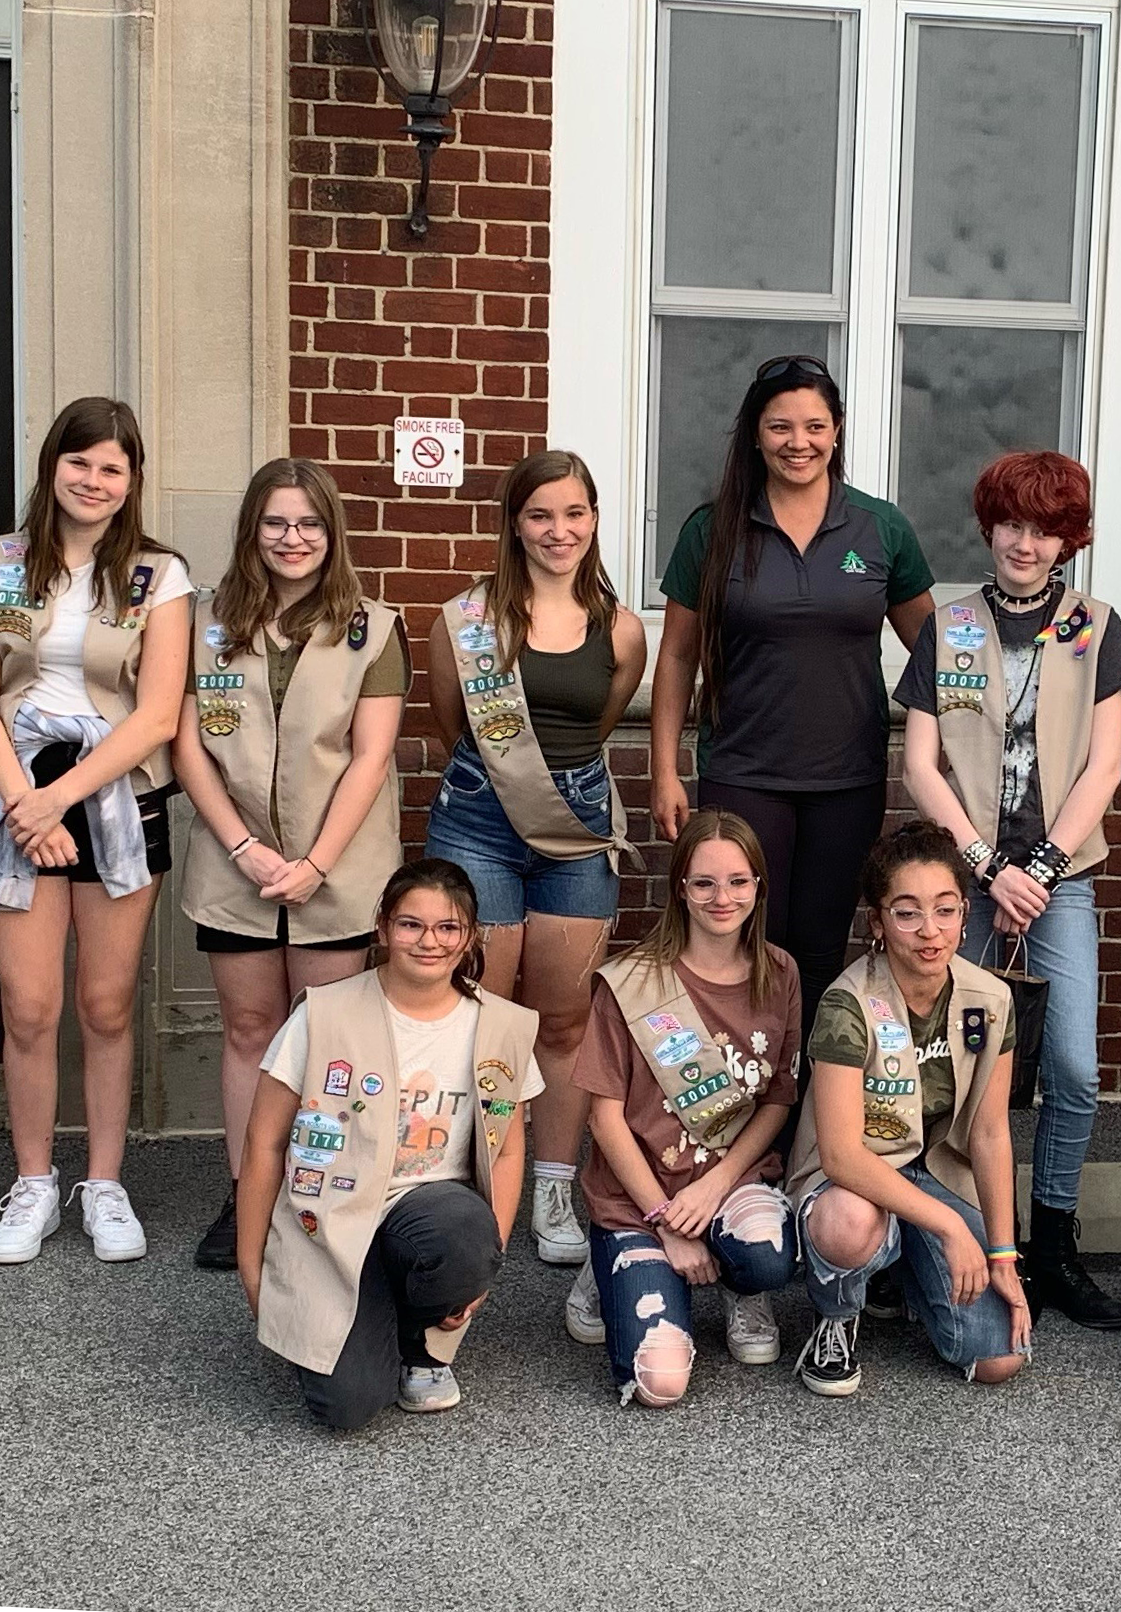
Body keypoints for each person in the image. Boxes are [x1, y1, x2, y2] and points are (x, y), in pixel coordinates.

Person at [897, 449, 1121, 1329]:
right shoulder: (948, 626)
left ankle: (1054, 1243)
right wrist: (985, 864)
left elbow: (1105, 763)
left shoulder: (1097, 625)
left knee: (1071, 1066)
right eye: (1012, 525)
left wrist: (1038, 870)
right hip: (961, 884)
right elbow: (919, 761)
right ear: (989, 527)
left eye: (1045, 529)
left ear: (1069, 540)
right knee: (947, 1063)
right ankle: (937, 1232)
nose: (1025, 544)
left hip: (1058, 883)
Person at [650, 356, 935, 1042]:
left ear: (837, 431)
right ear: (754, 433)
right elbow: (678, 657)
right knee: (739, 947)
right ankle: (742, 1109)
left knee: (816, 953)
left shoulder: (880, 528)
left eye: (814, 425)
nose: (797, 441)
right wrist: (664, 769)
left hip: (848, 777)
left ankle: (811, 1118)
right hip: (743, 774)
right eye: (779, 426)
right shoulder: (711, 529)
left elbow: (937, 653)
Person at [174, 458, 408, 1270]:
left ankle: (319, 1194)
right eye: (276, 522)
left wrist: (314, 862)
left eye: (309, 523)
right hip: (232, 864)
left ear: (330, 533)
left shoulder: (371, 627)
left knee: (325, 1042)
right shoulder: (203, 620)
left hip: (337, 869)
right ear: (252, 530)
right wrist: (244, 847)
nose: (292, 538)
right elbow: (187, 745)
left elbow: (371, 756)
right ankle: (248, 1191)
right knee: (248, 1030)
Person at [425, 450, 646, 1268]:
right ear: (515, 524)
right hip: (478, 824)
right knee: (483, 1015)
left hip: (576, 833)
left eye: (575, 514)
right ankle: (476, 1179)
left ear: (594, 520)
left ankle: (553, 1179)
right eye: (541, 515)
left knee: (562, 1018)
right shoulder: (466, 621)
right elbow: (450, 723)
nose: (561, 531)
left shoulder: (622, 628)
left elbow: (602, 718)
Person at [236, 859, 542, 1430]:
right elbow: (263, 1143)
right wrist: (252, 1267)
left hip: (426, 1213)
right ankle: (351, 1317)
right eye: (411, 925)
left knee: (461, 1231)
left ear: (471, 936)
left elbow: (507, 1149)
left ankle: (416, 1339)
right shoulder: (323, 1014)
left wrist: (484, 1268)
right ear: (383, 928)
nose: (430, 941)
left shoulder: (502, 1026)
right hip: (330, 1217)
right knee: (346, 1407)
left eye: (448, 928)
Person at [0, 398, 193, 1266]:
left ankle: (104, 1183)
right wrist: (24, 805)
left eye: (112, 467)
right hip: (14, 796)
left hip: (117, 797)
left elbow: (156, 717)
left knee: (106, 1006)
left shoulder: (160, 576)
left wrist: (60, 799)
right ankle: (34, 1180)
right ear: (53, 467)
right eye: (80, 461)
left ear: (131, 483)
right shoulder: (5, 565)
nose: (93, 479)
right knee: (29, 1008)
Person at [787, 820, 1030, 1396]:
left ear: (964, 914)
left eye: (945, 910)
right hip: (852, 1180)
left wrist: (1001, 1254)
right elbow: (843, 1155)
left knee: (1000, 1359)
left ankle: (908, 1275)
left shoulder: (989, 1000)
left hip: (939, 1170)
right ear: (878, 922)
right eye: (907, 912)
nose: (931, 931)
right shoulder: (848, 1002)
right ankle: (838, 1316)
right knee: (850, 1225)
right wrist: (948, 1226)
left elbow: (992, 1134)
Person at [569, 809, 800, 1405]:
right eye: (704, 883)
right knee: (661, 1382)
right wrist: (667, 1221)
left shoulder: (781, 973)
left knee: (769, 1258)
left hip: (728, 1181)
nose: (722, 897)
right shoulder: (632, 982)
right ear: (681, 889)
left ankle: (736, 1283)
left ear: (758, 886)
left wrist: (717, 1184)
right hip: (640, 1195)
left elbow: (776, 1099)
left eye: (738, 881)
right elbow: (605, 1120)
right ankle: (609, 1263)